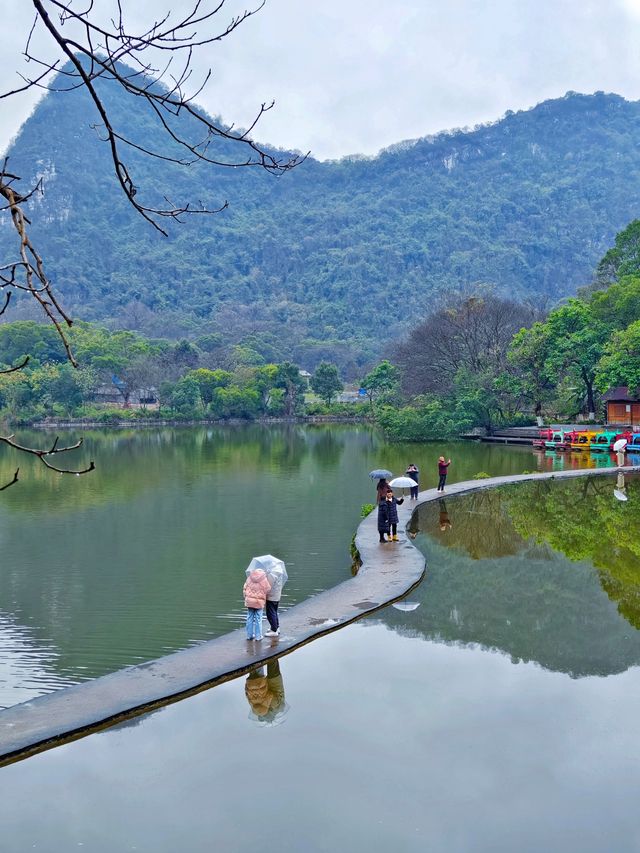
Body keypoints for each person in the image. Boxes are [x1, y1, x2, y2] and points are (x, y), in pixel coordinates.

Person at [243, 567, 271, 641]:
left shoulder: (250, 577)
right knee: (258, 619)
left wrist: (246, 597)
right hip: (259, 602)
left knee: (249, 618)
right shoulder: (264, 579)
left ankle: (249, 635)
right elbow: (268, 589)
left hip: (249, 601)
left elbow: (245, 588)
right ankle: (258, 637)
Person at [265, 566, 287, 638]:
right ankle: (276, 627)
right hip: (277, 595)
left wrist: (266, 575)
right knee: (274, 611)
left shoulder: (273, 574)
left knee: (270, 613)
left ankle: (274, 631)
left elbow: (268, 585)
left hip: (271, 596)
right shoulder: (279, 572)